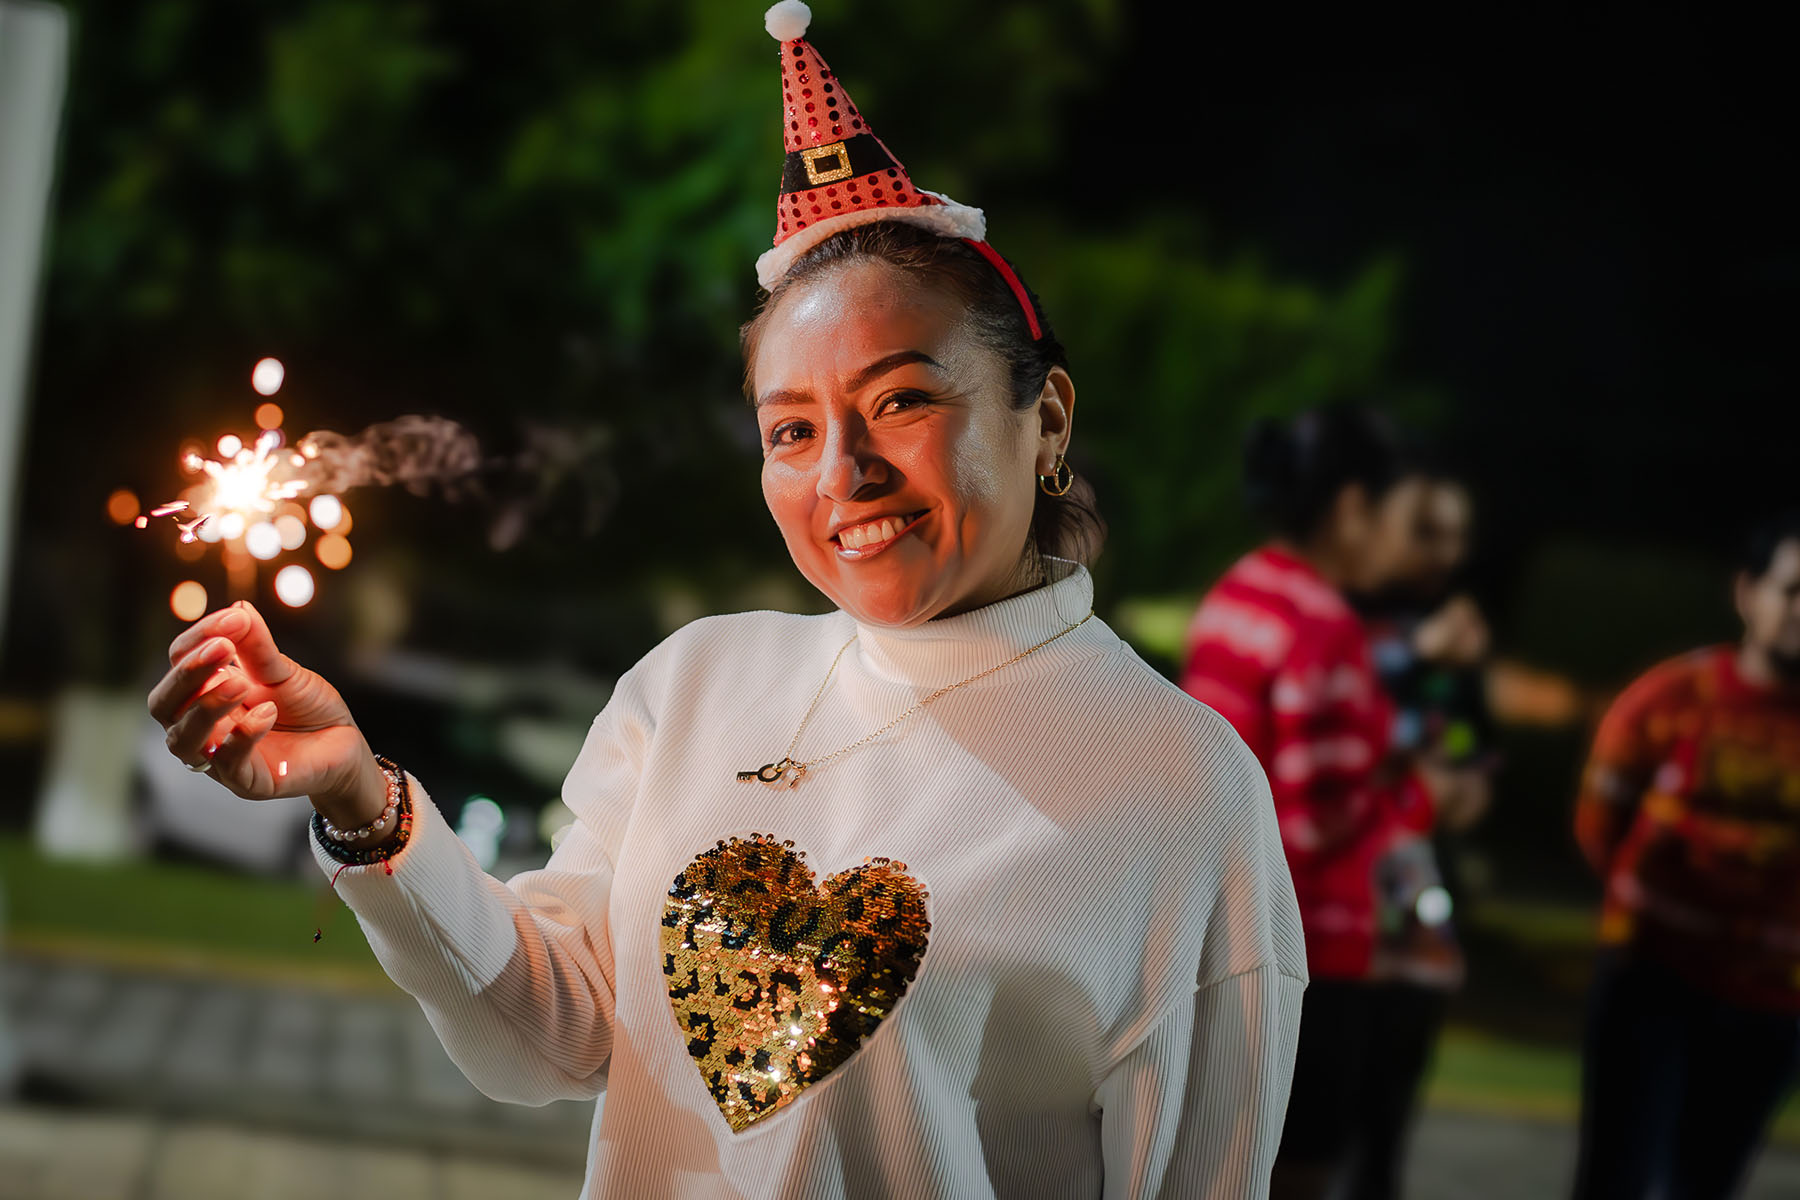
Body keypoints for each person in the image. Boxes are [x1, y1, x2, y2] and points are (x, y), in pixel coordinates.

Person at [144, 5, 1306, 1196]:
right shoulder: (698, 683)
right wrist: (364, 801)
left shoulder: (1182, 788)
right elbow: (560, 1034)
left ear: (1047, 418)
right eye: (790, 429)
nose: (842, 473)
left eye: (903, 401)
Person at [1179, 406, 1431, 1200]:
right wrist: (1414, 787)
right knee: (1297, 1166)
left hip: (1221, 919)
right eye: (1402, 515)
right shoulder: (1325, 626)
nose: (1401, 538)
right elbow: (1321, 820)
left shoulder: (1239, 590)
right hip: (1311, 941)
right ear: (1354, 507)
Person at [1569, 509, 1800, 1200]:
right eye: (1792, 590)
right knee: (1614, 1176)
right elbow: (1599, 822)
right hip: (1652, 976)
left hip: (1775, 997)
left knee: (1706, 1183)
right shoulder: (1672, 697)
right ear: (1747, 592)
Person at [1348, 470, 1497, 1200]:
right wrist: (1413, 661)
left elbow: (1473, 757)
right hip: (1329, 907)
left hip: (1416, 905)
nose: (1446, 553)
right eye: (1424, 531)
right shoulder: (1335, 618)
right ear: (1369, 523)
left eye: (1458, 535)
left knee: (1391, 1099)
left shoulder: (1460, 641)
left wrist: (1464, 788)